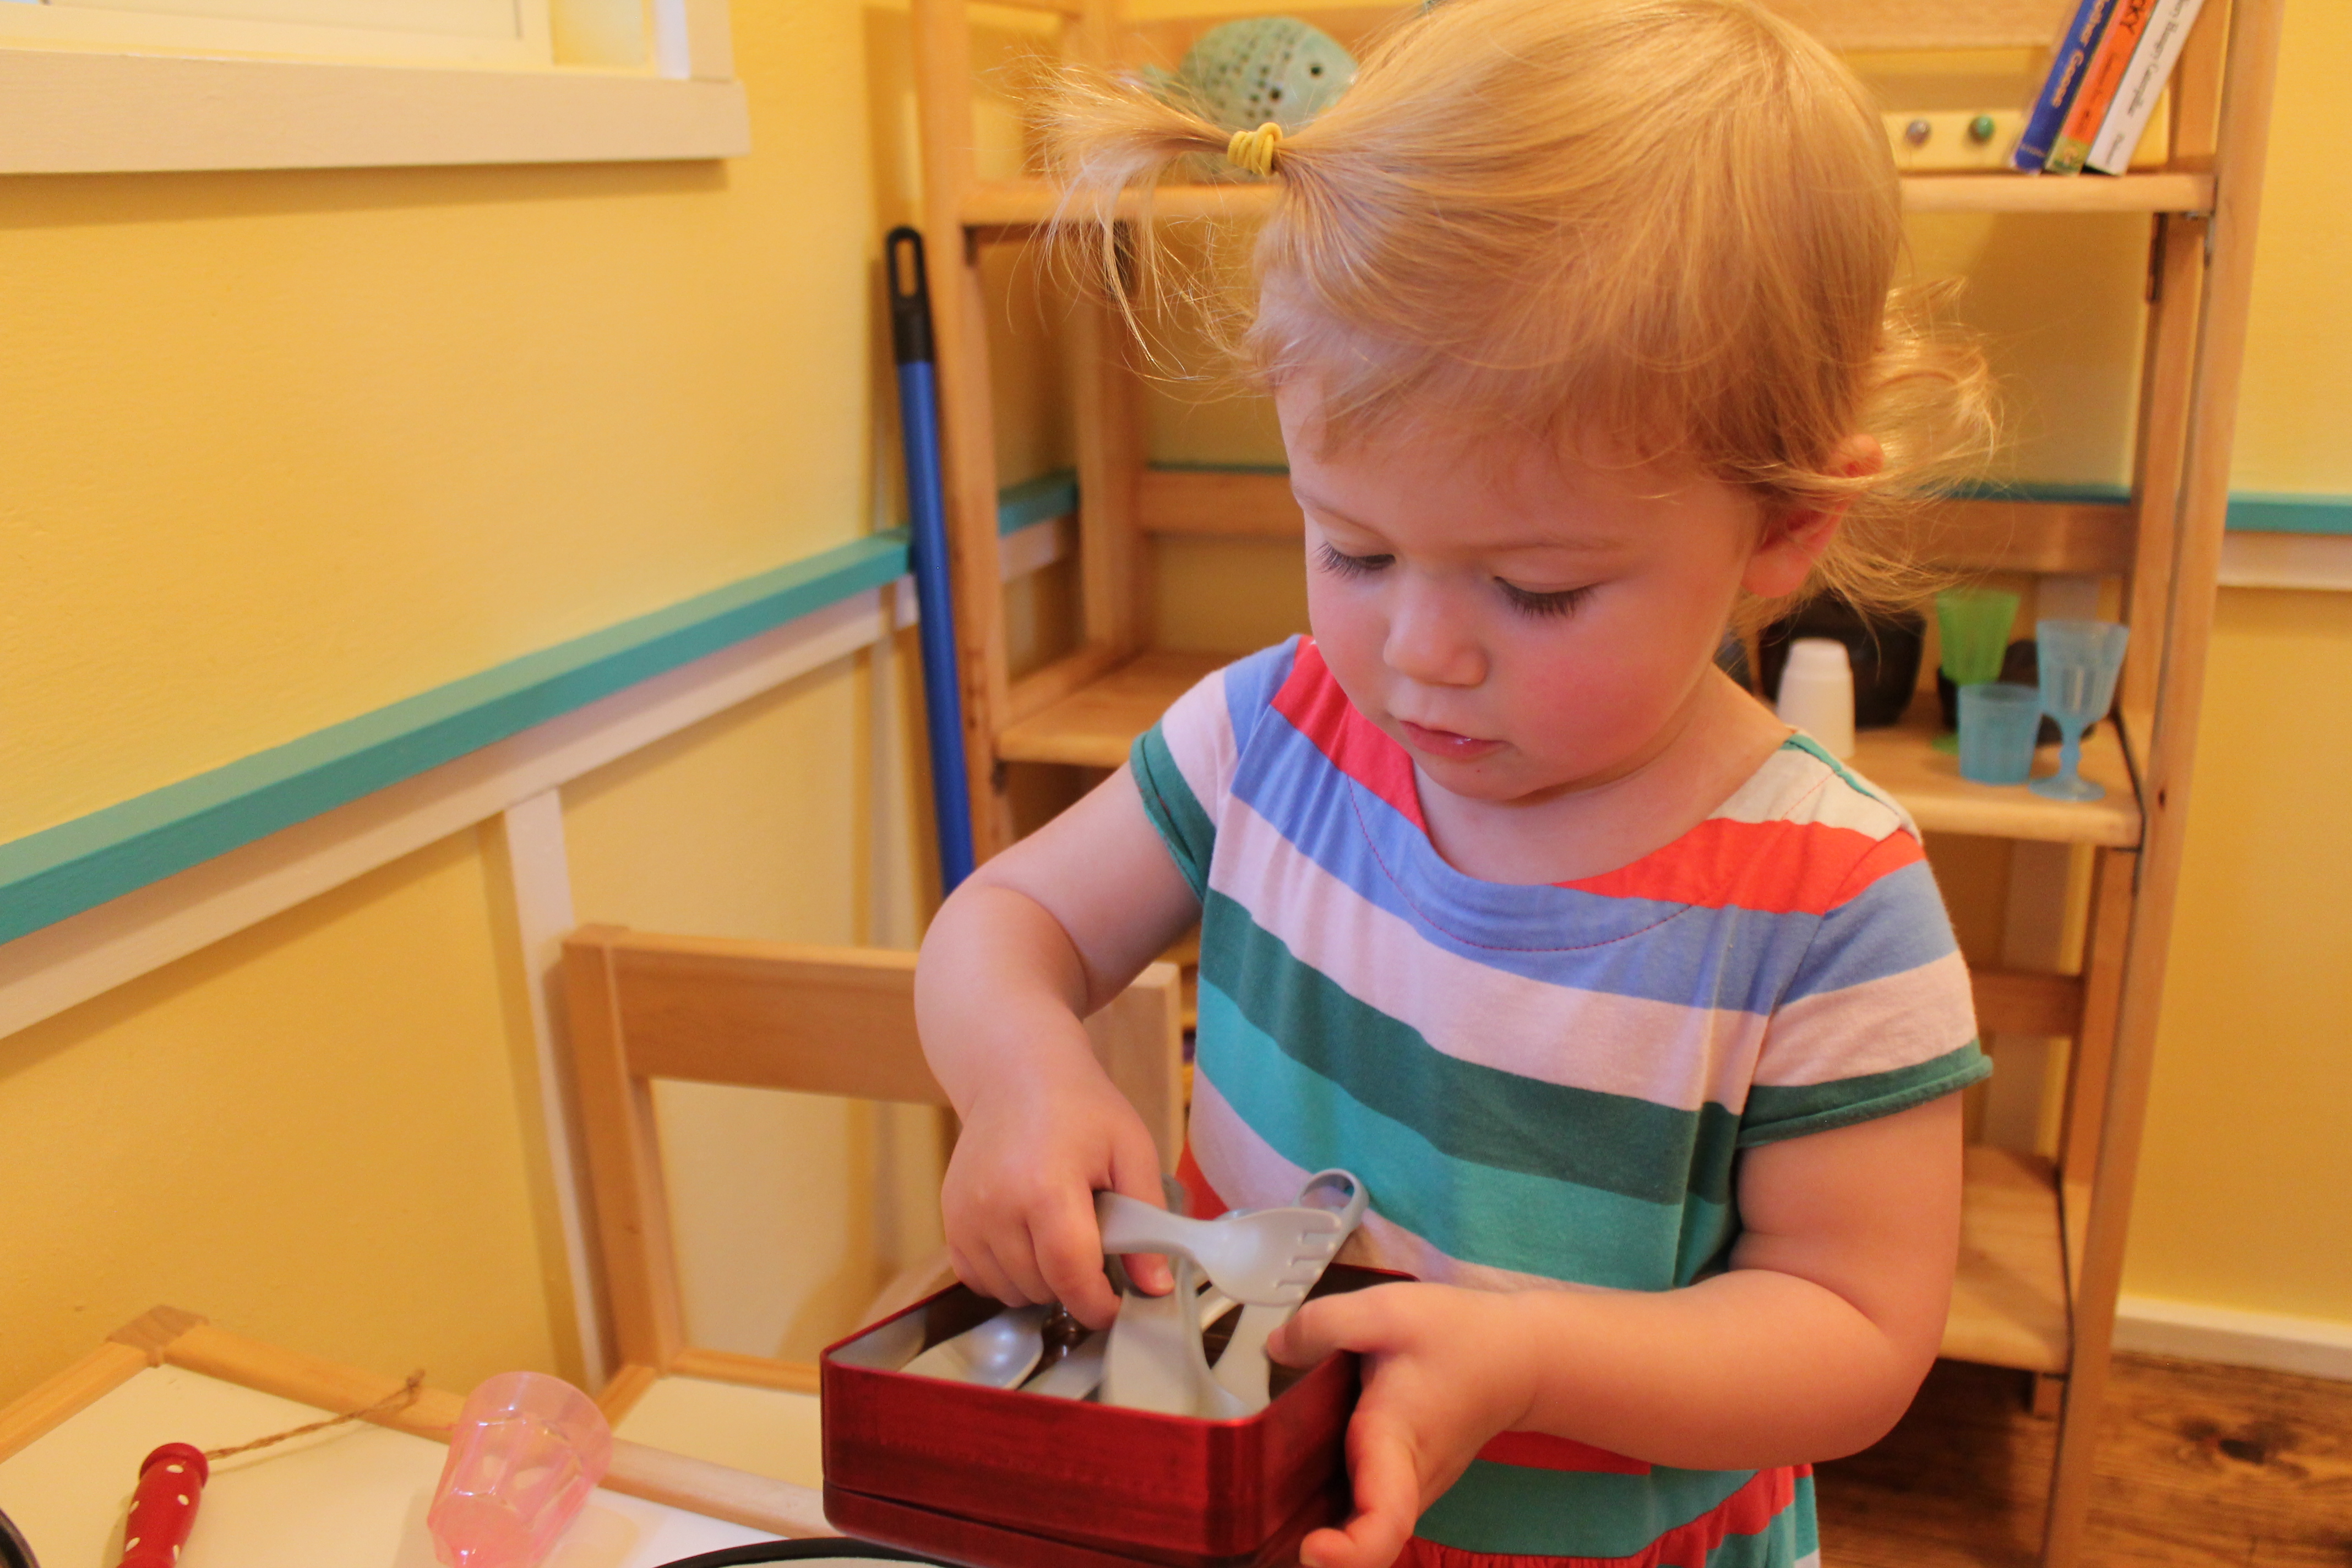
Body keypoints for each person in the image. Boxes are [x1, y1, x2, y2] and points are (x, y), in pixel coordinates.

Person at [913, 3, 1996, 1565]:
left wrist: (1533, 1360)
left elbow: (1855, 1335)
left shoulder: (1828, 900)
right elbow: (1008, 921)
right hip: (1255, 1499)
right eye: (1353, 548)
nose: (1419, 654)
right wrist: (1022, 1079)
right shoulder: (1273, 734)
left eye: (1538, 590)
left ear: (1783, 528)